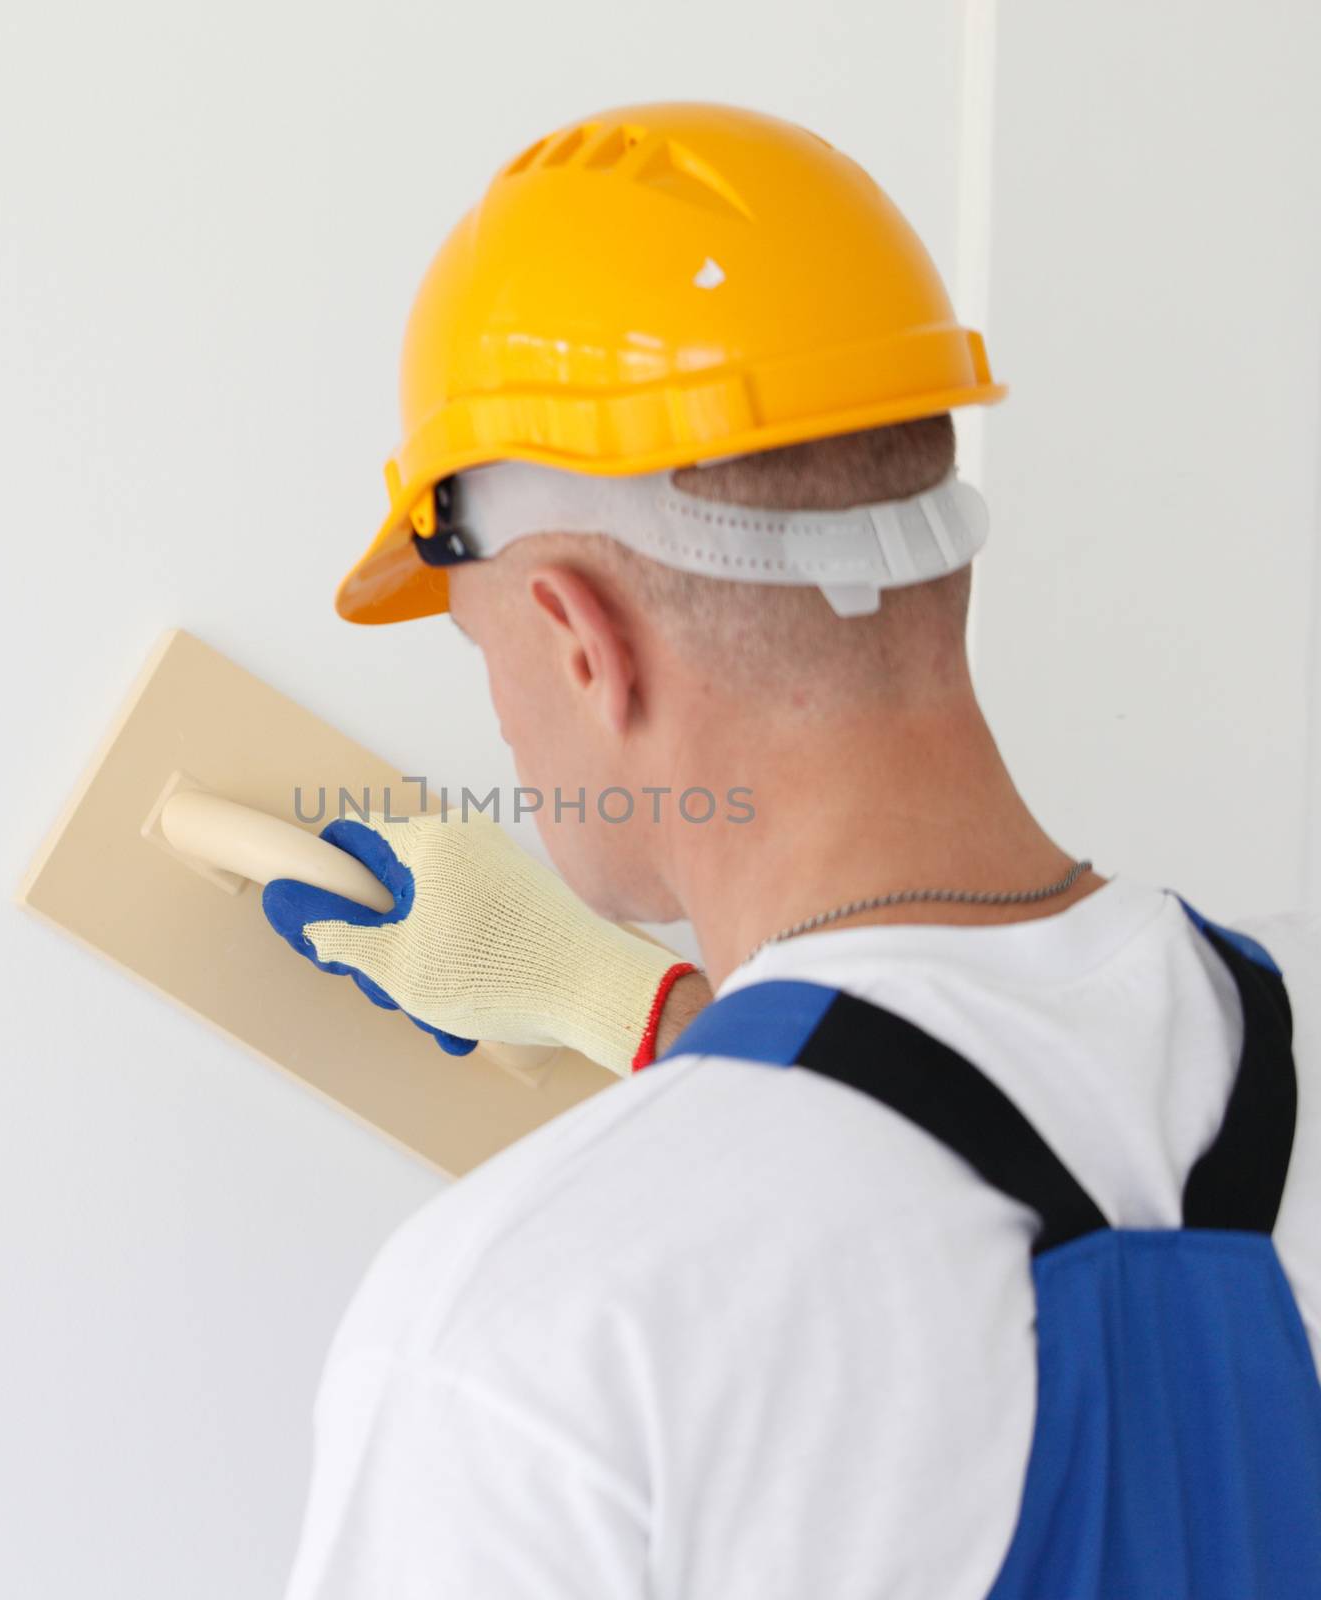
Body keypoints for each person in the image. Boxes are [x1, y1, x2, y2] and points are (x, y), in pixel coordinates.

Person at [267, 102, 1321, 1597]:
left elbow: (887, 1179)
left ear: (577, 638)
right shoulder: (1279, 1032)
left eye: (473, 639)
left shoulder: (523, 1338)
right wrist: (621, 1004)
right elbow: (993, 1130)